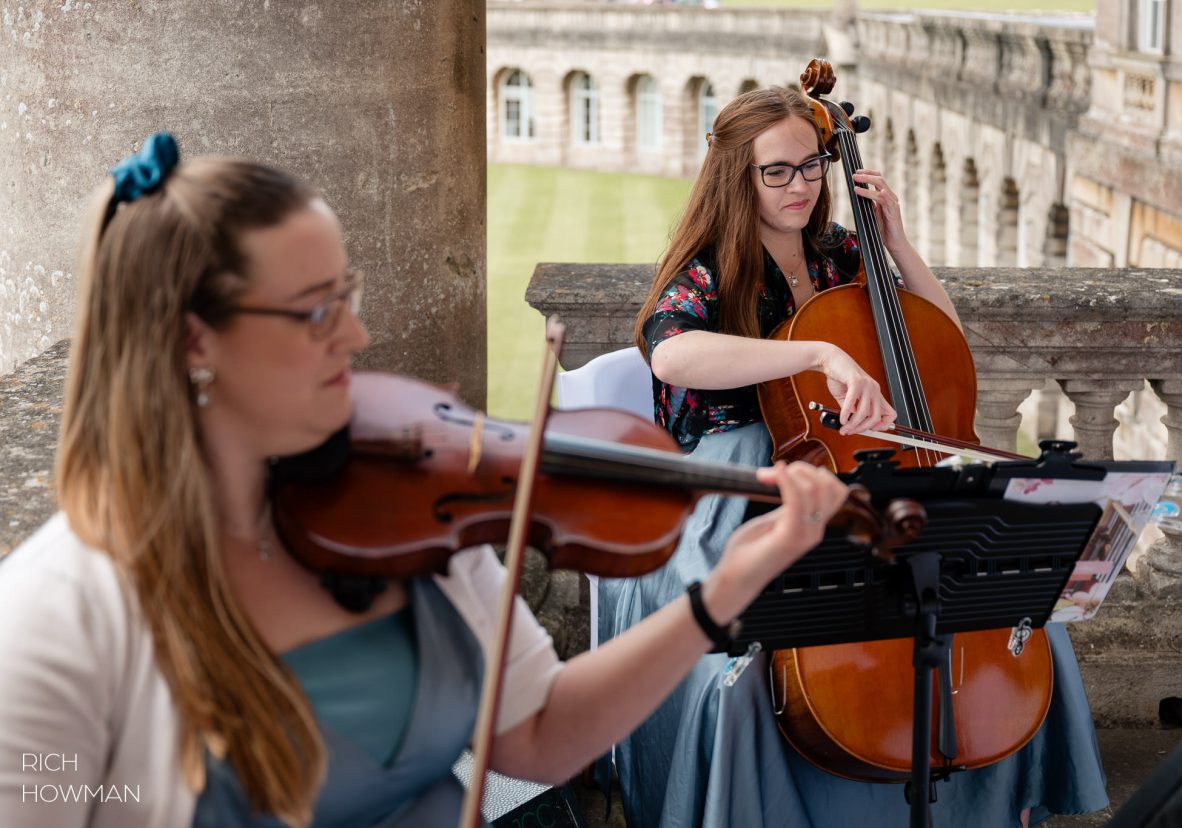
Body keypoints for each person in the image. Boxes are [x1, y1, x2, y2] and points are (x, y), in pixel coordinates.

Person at [0, 133, 849, 828]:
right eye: (316, 311)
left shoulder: (404, 506)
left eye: (349, 293)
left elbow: (540, 733)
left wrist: (715, 600)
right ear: (194, 343)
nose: (359, 334)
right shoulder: (48, 618)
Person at [598, 86, 1109, 827]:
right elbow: (672, 355)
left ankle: (1003, 798)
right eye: (777, 171)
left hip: (861, 470)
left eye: (811, 165)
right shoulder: (708, 270)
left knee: (1009, 600)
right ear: (736, 175)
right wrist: (816, 352)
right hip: (742, 485)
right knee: (786, 631)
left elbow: (942, 339)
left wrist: (897, 243)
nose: (800, 185)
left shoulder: (841, 251)